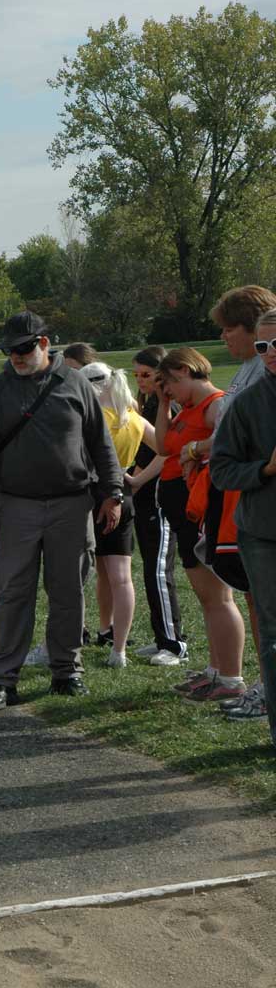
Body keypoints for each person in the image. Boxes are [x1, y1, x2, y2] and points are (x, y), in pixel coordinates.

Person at [0, 311, 123, 709]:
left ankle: (67, 671)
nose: (16, 357)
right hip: (15, 506)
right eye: (9, 351)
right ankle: (2, 680)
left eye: (23, 349)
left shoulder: (74, 384)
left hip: (72, 504)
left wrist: (113, 493)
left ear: (44, 344)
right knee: (13, 595)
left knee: (68, 592)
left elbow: (100, 443)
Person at [198, 285, 276, 719]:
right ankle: (266, 688)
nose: (225, 337)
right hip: (250, 507)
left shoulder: (259, 375)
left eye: (231, 329)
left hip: (250, 503)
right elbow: (231, 451)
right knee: (260, 602)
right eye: (263, 345)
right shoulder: (249, 377)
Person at [154, 348, 245, 703]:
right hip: (184, 508)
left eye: (169, 383)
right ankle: (215, 670)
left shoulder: (215, 404)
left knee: (218, 596)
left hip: (205, 507)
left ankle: (232, 676)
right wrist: (164, 407)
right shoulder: (186, 409)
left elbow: (228, 441)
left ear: (184, 371)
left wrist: (194, 451)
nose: (169, 391)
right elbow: (163, 446)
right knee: (206, 598)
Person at [82, 364, 160, 667]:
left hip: (93, 496)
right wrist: (138, 479)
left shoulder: (92, 419)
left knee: (79, 574)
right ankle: (119, 648)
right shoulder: (132, 417)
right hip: (124, 495)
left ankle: (72, 638)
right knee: (120, 577)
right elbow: (167, 449)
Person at [128, 346, 188, 666]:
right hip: (144, 497)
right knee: (151, 569)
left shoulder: (168, 407)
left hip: (161, 499)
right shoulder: (147, 404)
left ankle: (173, 644)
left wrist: (137, 480)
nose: (140, 381)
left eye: (146, 375)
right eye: (136, 375)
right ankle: (161, 637)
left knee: (158, 569)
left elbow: (167, 455)